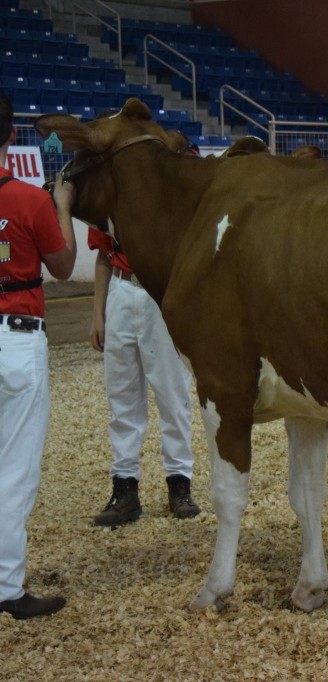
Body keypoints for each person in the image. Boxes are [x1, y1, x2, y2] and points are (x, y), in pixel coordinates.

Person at [88, 120, 200, 527]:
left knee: (173, 392)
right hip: (121, 289)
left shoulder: (175, 194)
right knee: (122, 395)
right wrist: (98, 312)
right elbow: (103, 255)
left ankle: (179, 482)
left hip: (160, 292)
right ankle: (125, 486)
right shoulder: (113, 195)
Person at [0, 90, 76, 619]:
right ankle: (5, 587)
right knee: (14, 471)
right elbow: (66, 264)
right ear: (9, 135)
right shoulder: (29, 200)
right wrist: (63, 208)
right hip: (17, 335)